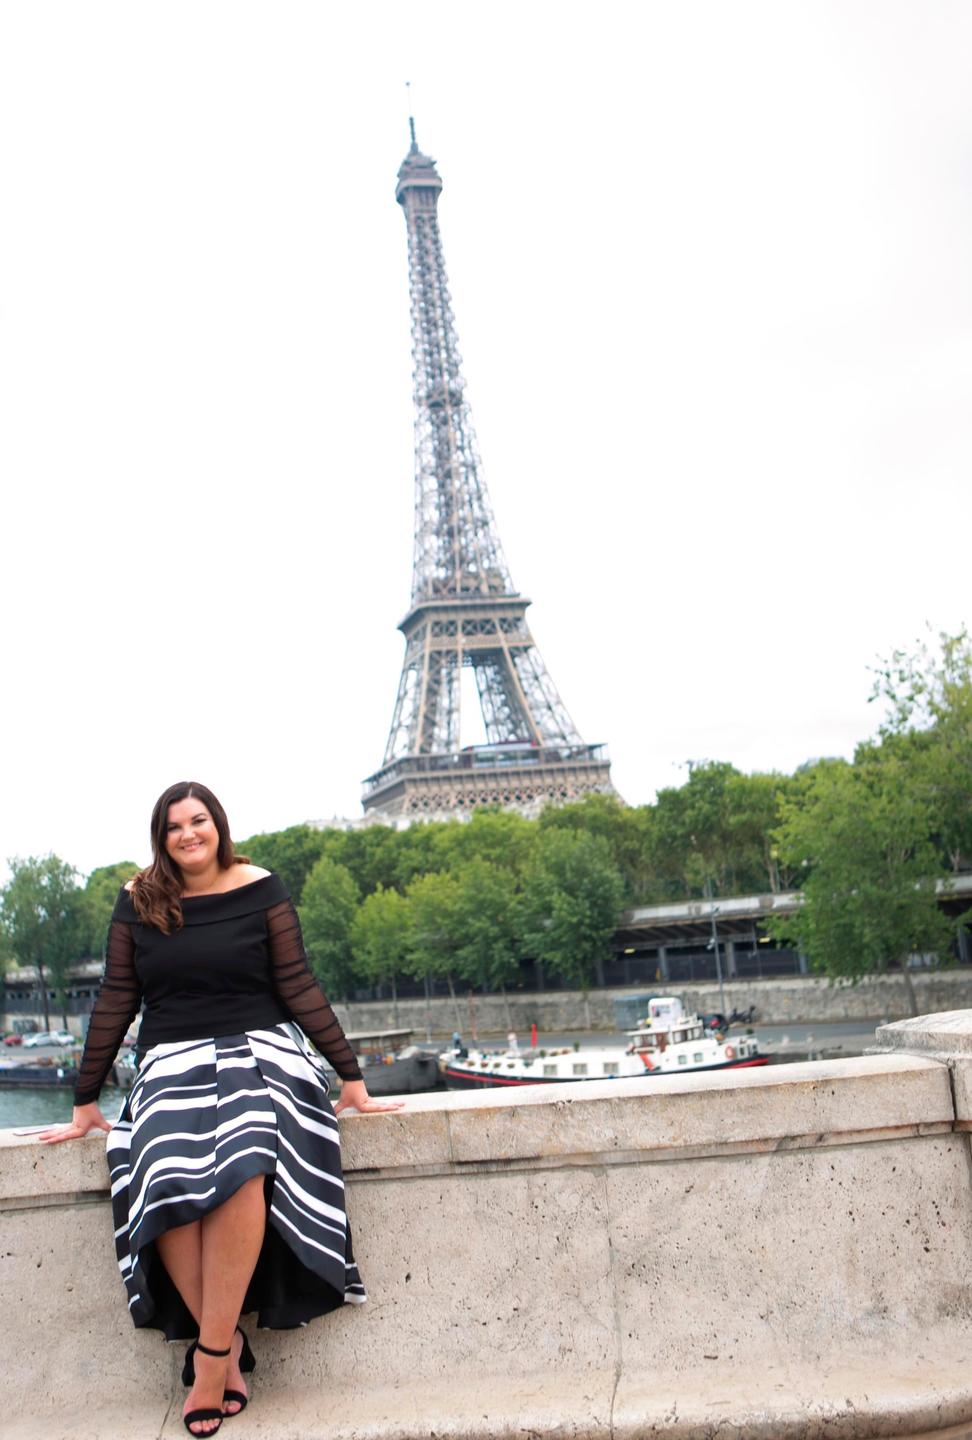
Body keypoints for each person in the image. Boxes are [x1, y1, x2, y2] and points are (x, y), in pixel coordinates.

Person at [40, 780, 403, 1436]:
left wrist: (350, 1076)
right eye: (174, 826)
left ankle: (210, 1359)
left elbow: (296, 981)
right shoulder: (138, 898)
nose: (188, 834)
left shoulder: (260, 887)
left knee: (246, 1155)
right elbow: (117, 996)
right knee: (159, 1165)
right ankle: (226, 1342)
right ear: (161, 836)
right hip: (170, 1058)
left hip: (262, 1049)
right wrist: (84, 1097)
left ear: (218, 824)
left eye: (198, 820)